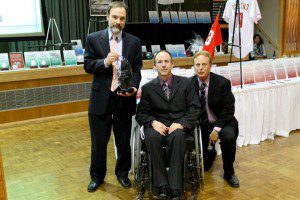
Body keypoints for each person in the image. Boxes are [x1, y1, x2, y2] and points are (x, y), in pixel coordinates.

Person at [84, 1, 142, 192]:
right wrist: (105, 62)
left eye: (122, 18)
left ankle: (122, 174)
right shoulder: (93, 38)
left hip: (124, 99)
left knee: (123, 141)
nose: (118, 21)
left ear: (125, 20)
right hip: (100, 99)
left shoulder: (134, 42)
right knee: (98, 142)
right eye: (115, 17)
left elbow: (137, 70)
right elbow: (88, 65)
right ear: (107, 16)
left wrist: (133, 86)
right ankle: (97, 177)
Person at [136, 50, 200, 199]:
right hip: (157, 126)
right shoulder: (147, 88)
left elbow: (195, 108)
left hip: (178, 127)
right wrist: (152, 122)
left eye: (166, 61)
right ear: (154, 66)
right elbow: (141, 114)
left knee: (178, 136)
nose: (163, 65)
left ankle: (175, 186)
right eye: (160, 62)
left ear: (172, 64)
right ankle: (161, 184)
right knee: (151, 136)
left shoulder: (186, 83)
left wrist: (182, 124)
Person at [191, 50, 240, 188]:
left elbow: (229, 109)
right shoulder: (188, 84)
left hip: (223, 123)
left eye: (204, 64)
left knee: (228, 137)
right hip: (203, 126)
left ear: (210, 66)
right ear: (194, 66)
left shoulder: (222, 83)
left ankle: (229, 173)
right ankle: (209, 154)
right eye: (197, 64)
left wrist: (216, 129)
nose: (200, 68)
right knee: (206, 166)